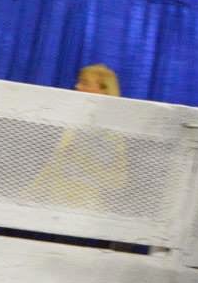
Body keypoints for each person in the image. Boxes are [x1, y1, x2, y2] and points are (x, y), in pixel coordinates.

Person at [23, 65, 128, 211]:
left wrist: (82, 162)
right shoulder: (73, 123)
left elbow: (117, 180)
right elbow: (54, 164)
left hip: (83, 208)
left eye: (85, 83)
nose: (77, 86)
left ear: (104, 90)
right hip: (52, 202)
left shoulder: (112, 133)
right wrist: (29, 195)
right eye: (79, 81)